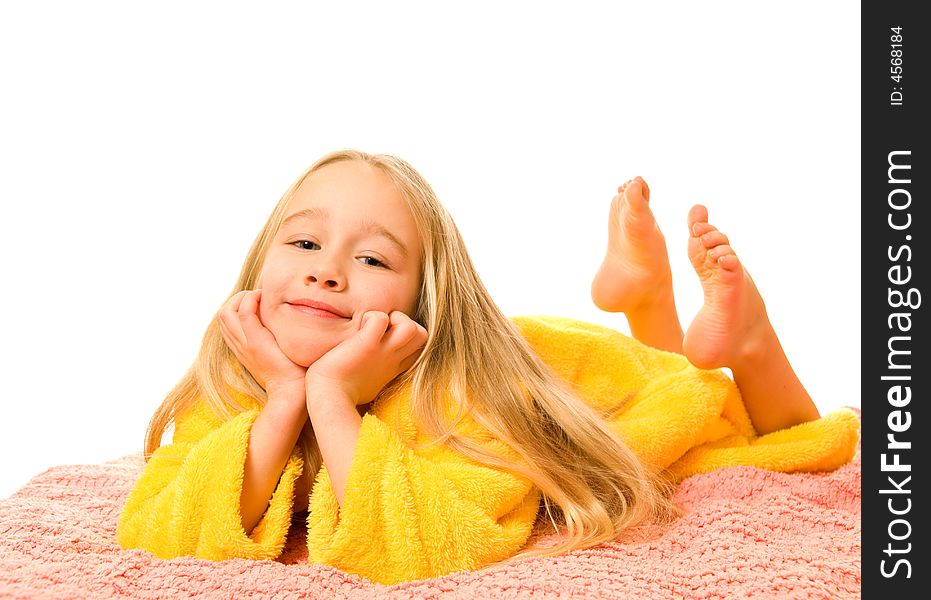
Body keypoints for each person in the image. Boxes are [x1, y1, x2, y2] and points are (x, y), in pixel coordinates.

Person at [116, 150, 855, 585]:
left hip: (580, 374)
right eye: (304, 245)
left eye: (371, 259)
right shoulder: (240, 384)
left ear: (422, 304)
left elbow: (425, 546)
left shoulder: (455, 394)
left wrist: (333, 399)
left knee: (759, 429)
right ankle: (645, 296)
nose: (327, 274)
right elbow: (165, 531)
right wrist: (286, 396)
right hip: (532, 357)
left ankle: (747, 339)